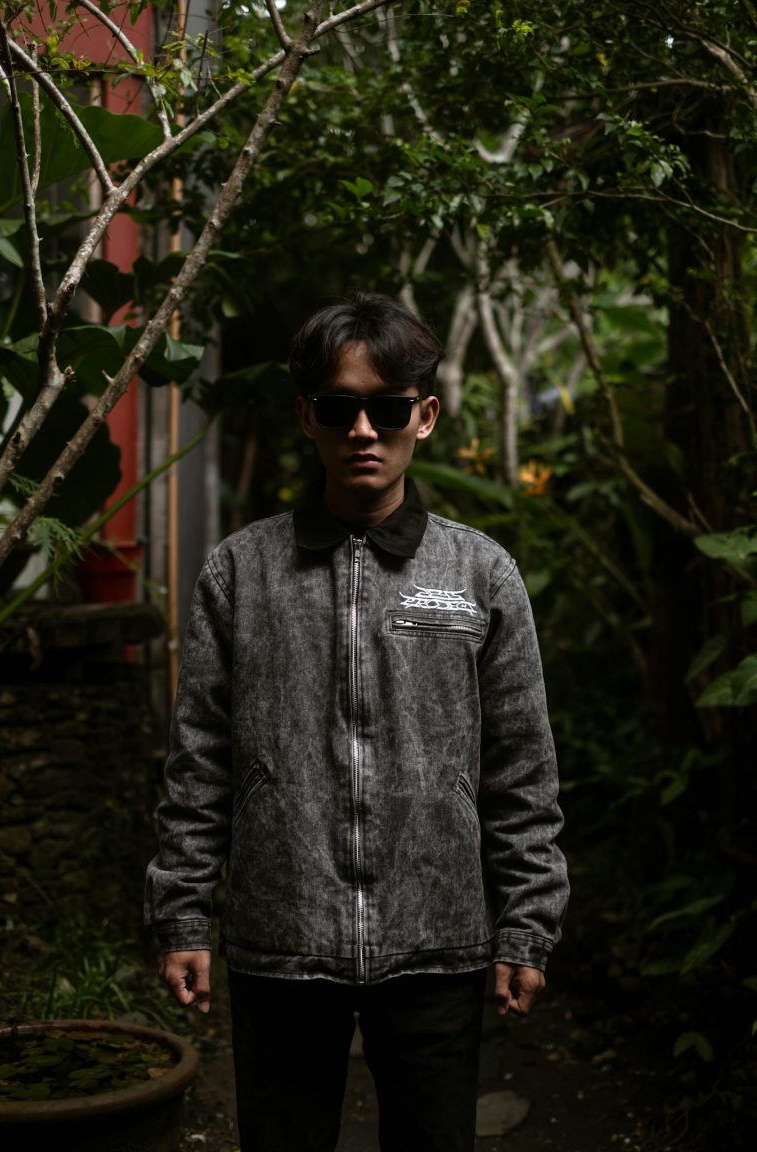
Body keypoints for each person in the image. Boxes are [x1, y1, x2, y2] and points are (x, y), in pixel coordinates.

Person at [144, 291, 569, 1152]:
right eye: (340, 408)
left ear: (427, 415)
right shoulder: (242, 573)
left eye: (387, 408)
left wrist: (527, 922)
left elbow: (520, 769)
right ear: (309, 417)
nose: (364, 430)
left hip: (438, 946)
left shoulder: (481, 575)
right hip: (281, 944)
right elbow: (200, 762)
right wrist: (183, 916)